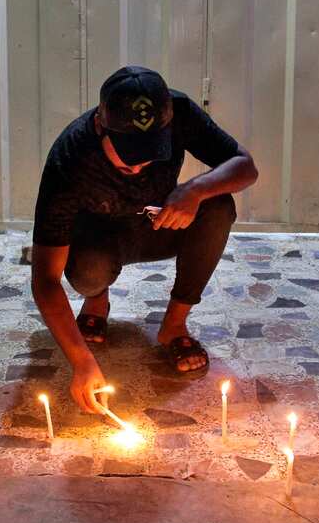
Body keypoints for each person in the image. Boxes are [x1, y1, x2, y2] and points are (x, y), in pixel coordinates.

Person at [30, 66, 259, 413]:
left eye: (149, 156)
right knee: (89, 269)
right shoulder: (70, 160)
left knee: (217, 207)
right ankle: (96, 303)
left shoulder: (179, 112)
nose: (138, 169)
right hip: (100, 240)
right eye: (127, 161)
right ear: (99, 127)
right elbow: (45, 279)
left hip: (159, 223)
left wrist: (194, 190)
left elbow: (245, 166)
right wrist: (82, 361)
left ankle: (174, 326)